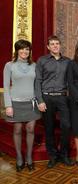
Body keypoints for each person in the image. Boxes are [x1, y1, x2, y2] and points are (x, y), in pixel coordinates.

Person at [34, 35, 73, 168]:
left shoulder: (68, 61)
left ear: (60, 45)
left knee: (66, 126)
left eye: (57, 43)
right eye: (52, 44)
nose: (55, 46)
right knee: (49, 128)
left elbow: (72, 80)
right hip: (47, 98)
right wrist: (40, 100)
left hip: (62, 97)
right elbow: (38, 81)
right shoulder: (42, 61)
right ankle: (52, 156)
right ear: (48, 47)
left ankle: (64, 155)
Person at [3, 39, 40, 172]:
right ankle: (19, 157)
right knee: (17, 130)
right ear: (17, 50)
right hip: (15, 102)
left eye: (27, 49)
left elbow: (37, 85)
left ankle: (29, 157)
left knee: (30, 129)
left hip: (31, 102)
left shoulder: (34, 65)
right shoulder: (9, 65)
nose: (24, 51)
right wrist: (8, 105)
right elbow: (6, 87)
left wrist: (40, 101)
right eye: (22, 49)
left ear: (29, 51)